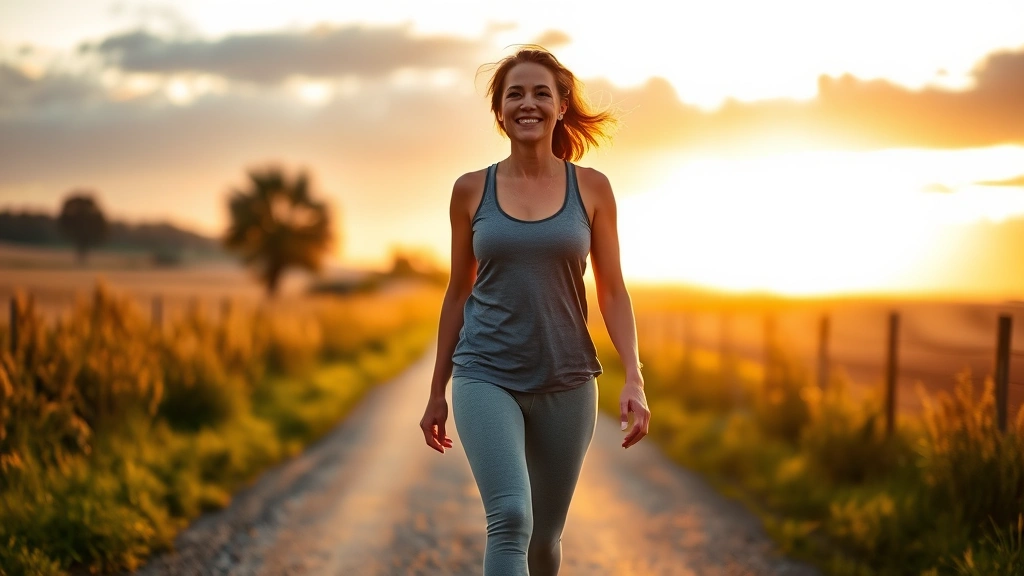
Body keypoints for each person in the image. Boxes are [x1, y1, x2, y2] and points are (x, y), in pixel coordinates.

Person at [418, 45, 650, 575]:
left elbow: (613, 290)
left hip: (568, 380)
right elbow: (458, 291)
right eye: (514, 94)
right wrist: (437, 390)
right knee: (511, 519)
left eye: (541, 93)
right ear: (498, 110)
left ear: (561, 106)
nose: (528, 103)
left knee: (545, 539)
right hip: (485, 373)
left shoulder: (591, 189)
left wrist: (634, 377)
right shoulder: (470, 190)